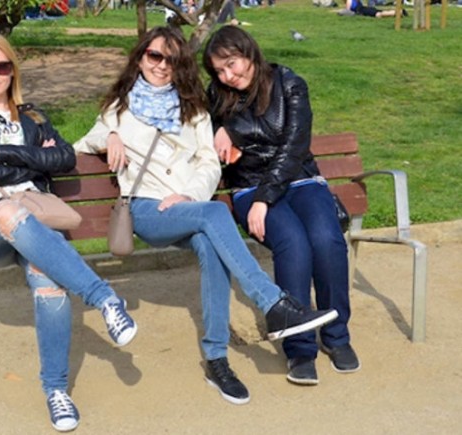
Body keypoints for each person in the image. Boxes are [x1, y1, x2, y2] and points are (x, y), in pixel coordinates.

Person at [73, 26, 338, 405]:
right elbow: (81, 143)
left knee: (211, 244)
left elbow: (210, 164)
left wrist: (189, 194)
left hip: (189, 206)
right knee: (216, 213)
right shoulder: (119, 109)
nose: (163, 66)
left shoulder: (194, 110)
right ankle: (274, 305)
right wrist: (110, 136)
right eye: (155, 56)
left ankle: (217, 359)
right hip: (148, 210)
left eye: (173, 59)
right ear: (140, 57)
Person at [0, 32, 137, 432]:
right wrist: (35, 164)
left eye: (2, 65)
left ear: (13, 69)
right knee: (8, 209)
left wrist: (6, 154)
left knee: (48, 282)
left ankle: (56, 390)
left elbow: (64, 157)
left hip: (34, 225)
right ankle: (104, 298)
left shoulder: (32, 116)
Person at [202, 26, 360, 387]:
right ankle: (300, 348)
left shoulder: (289, 83)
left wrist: (238, 136)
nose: (229, 76)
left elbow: (294, 146)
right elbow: (208, 144)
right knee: (293, 245)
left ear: (248, 52)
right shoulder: (219, 95)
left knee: (327, 240)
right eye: (219, 71)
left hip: (297, 180)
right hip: (247, 188)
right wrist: (223, 135)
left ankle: (337, 337)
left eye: (232, 64)